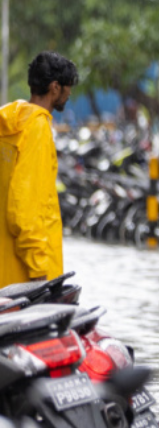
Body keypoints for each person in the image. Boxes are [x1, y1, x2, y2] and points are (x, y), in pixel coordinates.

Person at [0, 52, 77, 287]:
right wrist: (39, 270)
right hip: (25, 278)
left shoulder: (11, 125)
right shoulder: (37, 128)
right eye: (67, 88)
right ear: (55, 88)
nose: (69, 93)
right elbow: (25, 207)